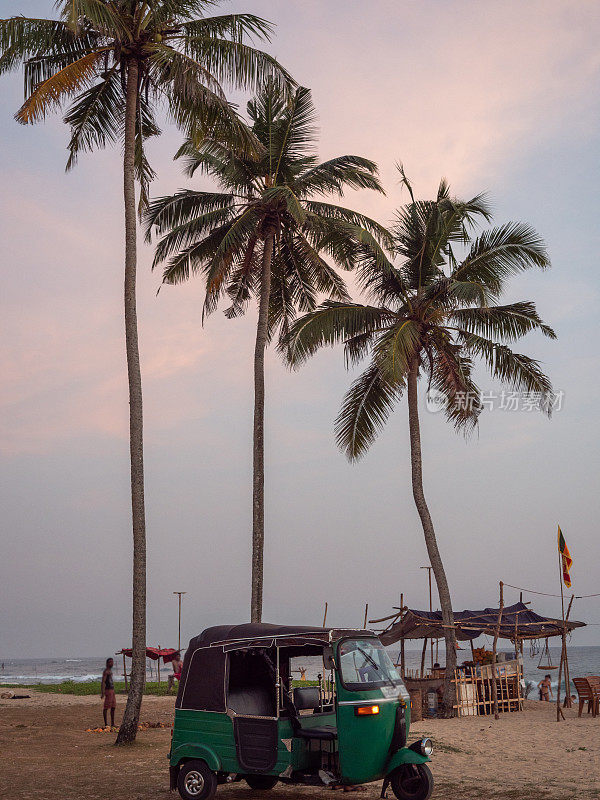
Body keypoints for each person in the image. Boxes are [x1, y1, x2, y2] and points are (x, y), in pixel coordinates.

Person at [101, 657, 117, 728]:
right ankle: (106, 724)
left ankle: (112, 723)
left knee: (113, 706)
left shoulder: (110, 671)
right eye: (110, 662)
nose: (112, 663)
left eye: (112, 662)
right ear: (107, 663)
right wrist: (103, 692)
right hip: (108, 690)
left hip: (112, 690)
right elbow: (103, 682)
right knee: (106, 707)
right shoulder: (106, 671)